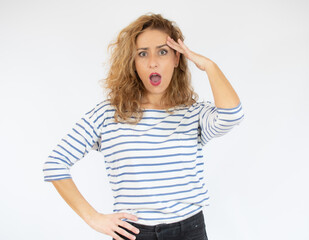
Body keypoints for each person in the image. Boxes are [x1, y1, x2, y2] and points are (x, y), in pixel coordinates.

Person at [42, 12, 244, 240]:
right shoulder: (109, 114)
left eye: (163, 51)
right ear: (133, 62)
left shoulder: (193, 112)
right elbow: (55, 163)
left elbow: (232, 115)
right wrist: (93, 218)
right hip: (134, 234)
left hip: (190, 231)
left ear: (177, 59)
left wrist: (208, 65)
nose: (153, 62)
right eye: (142, 54)